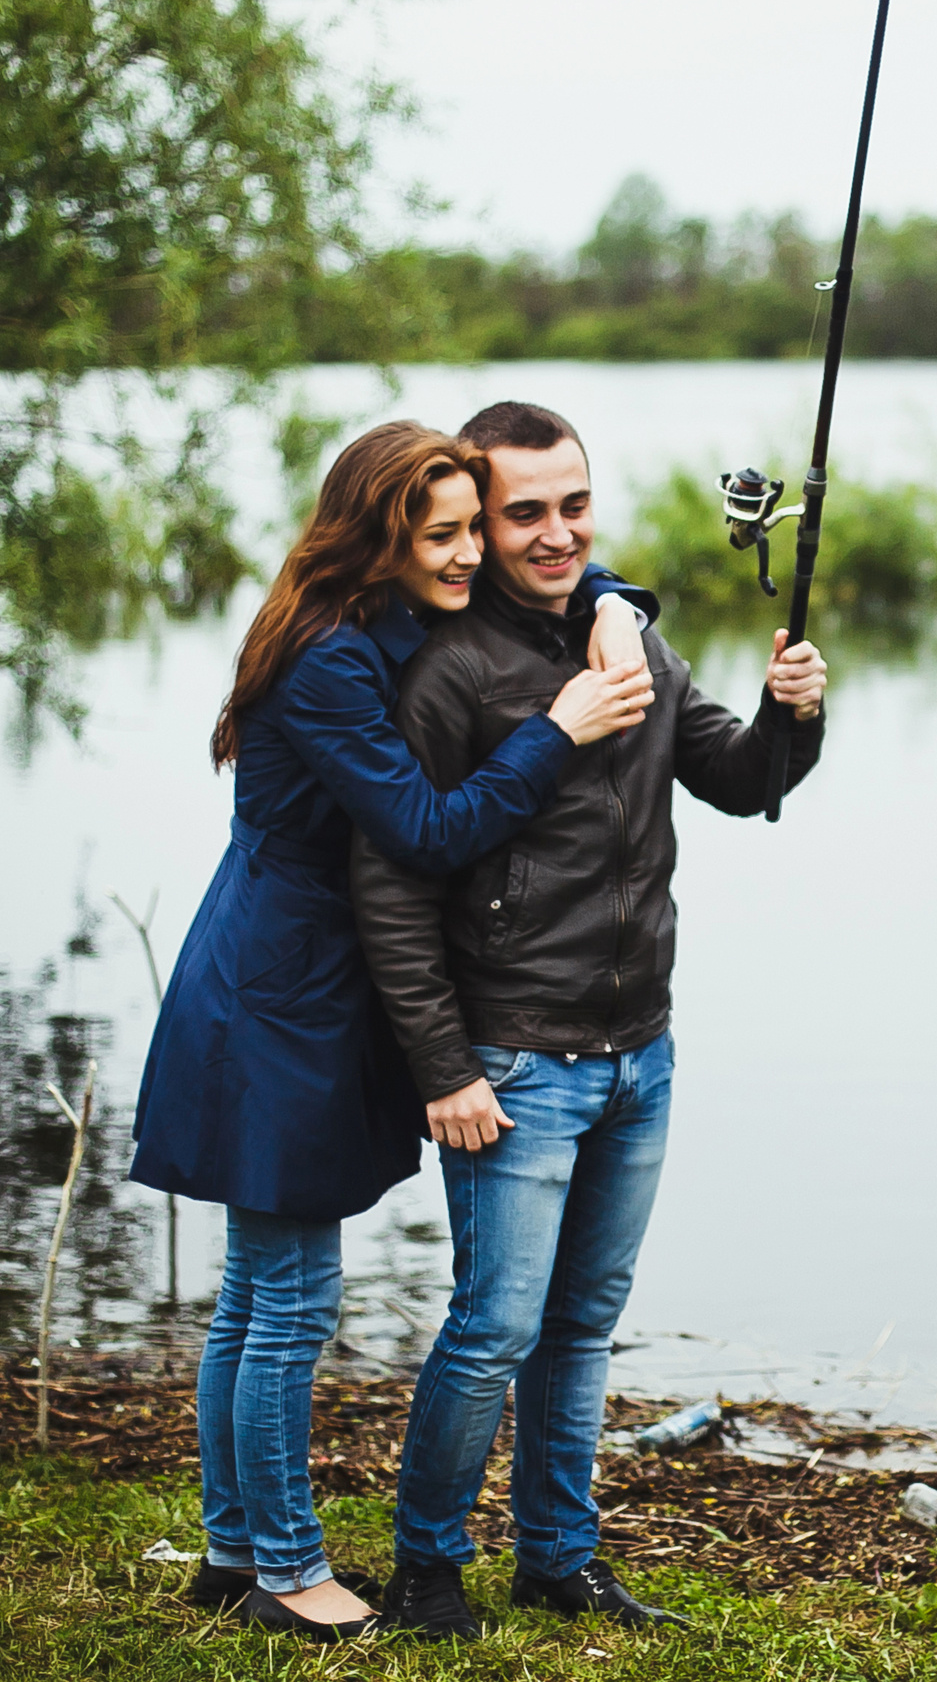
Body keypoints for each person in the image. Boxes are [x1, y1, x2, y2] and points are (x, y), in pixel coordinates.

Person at [127, 420, 661, 1643]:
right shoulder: (328, 660)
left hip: (301, 981)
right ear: (378, 540)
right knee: (289, 1299)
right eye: (447, 533)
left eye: (478, 524)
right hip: (280, 993)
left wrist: (618, 603)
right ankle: (284, 1569)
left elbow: (562, 577)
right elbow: (424, 830)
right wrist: (557, 730)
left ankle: (227, 1548)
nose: (474, 552)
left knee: (253, 1296)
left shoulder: (382, 624)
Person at [351, 401, 828, 1637]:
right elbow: (392, 888)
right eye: (524, 514)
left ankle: (559, 1559)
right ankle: (426, 1571)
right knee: (494, 1324)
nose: (555, 534)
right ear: (475, 520)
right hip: (514, 1061)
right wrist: (444, 1067)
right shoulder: (450, 673)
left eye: (574, 506)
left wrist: (792, 715)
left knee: (582, 1327)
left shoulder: (635, 645)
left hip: (639, 1051)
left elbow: (739, 780)